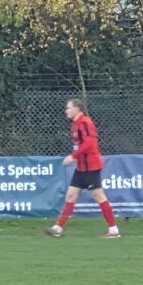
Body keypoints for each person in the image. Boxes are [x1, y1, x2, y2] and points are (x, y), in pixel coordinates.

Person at [45, 98, 119, 239]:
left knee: (98, 196)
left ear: (77, 109)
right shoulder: (75, 125)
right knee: (71, 195)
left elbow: (89, 143)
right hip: (81, 168)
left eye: (68, 108)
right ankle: (58, 228)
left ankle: (114, 229)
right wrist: (76, 157)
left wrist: (73, 156)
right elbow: (80, 145)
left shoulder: (85, 123)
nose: (66, 111)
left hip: (91, 166)